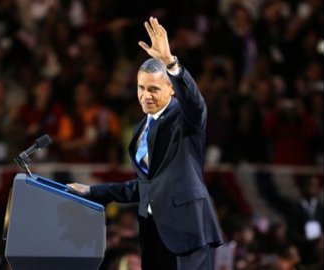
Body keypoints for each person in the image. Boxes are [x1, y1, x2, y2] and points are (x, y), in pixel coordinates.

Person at [68, 17, 223, 270]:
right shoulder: (141, 128)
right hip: (153, 233)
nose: (145, 95)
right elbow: (145, 186)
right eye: (141, 88)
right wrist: (94, 191)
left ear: (171, 89)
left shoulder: (185, 119)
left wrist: (171, 63)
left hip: (188, 232)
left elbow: (196, 105)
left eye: (153, 89)